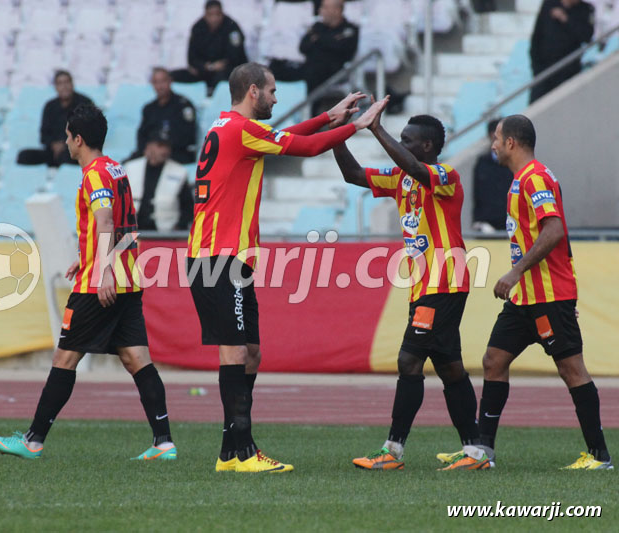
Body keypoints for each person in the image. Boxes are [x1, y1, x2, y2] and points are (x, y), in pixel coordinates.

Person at [188, 62, 388, 473]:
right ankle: (242, 453)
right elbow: (309, 148)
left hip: (230, 257)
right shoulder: (240, 130)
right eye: (273, 91)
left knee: (252, 354)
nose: (277, 98)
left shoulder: (230, 127)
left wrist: (328, 117)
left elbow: (286, 137)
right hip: (215, 257)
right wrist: (359, 126)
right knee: (236, 351)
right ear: (253, 92)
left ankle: (230, 452)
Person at [0, 104, 177, 462]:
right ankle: (163, 442)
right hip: (127, 279)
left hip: (99, 285)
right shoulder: (116, 169)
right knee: (137, 358)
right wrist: (89, 256)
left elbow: (105, 222)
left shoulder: (93, 174)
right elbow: (120, 225)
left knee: (65, 358)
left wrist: (101, 269)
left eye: (67, 136)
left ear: (78, 139)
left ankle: (32, 440)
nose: (66, 142)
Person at [438, 115, 612, 470]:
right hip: (525, 299)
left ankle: (599, 457)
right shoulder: (521, 180)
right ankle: (482, 453)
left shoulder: (535, 178)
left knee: (572, 370)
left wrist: (516, 272)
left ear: (512, 143)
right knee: (493, 361)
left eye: (497, 139)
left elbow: (554, 230)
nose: (493, 145)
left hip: (547, 295)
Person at [333, 106, 489, 471]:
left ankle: (392, 451)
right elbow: (354, 174)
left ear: (427, 146)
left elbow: (417, 170)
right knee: (450, 368)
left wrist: (376, 129)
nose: (400, 145)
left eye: (407, 140)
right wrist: (339, 134)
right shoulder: (400, 179)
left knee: (409, 360)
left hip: (444, 280)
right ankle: (475, 452)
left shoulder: (444, 175)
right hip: (425, 285)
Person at [17, 70, 94, 167]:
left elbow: (89, 133)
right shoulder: (50, 106)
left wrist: (65, 145)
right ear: (56, 87)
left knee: (66, 156)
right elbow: (44, 135)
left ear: (72, 84)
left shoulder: (85, 104)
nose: (64, 86)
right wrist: (54, 144)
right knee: (24, 156)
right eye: (60, 83)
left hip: (75, 151)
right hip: (53, 151)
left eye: (67, 82)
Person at [170, 0, 248, 95]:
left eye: (217, 14)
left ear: (222, 13)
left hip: (228, 71)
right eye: (210, 14)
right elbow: (192, 58)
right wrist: (208, 66)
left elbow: (235, 56)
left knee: (222, 77)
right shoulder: (198, 28)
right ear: (205, 14)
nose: (214, 18)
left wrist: (219, 65)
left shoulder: (232, 27)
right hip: (205, 70)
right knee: (174, 76)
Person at [124, 130, 193, 232]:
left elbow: (188, 207)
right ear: (149, 146)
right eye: (160, 146)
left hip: (165, 235)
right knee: (119, 248)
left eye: (167, 146)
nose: (164, 151)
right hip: (131, 232)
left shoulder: (179, 172)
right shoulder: (130, 168)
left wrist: (178, 228)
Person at [129, 67, 198, 165]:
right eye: (156, 82)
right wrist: (148, 148)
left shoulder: (183, 105)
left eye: (163, 81)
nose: (160, 86)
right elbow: (142, 134)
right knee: (128, 165)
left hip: (176, 153)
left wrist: (163, 147)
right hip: (151, 153)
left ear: (170, 81)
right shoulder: (148, 108)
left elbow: (188, 135)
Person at [529, 0, 594, 103]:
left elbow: (586, 36)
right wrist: (536, 67)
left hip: (568, 71)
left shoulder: (585, 9)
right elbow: (537, 38)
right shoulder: (549, 4)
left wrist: (566, 19)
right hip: (544, 70)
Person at [299, 0, 359, 96]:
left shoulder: (350, 29)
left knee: (313, 73)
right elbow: (303, 47)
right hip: (310, 70)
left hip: (334, 72)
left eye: (325, 7)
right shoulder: (317, 27)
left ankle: (311, 110)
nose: (320, 11)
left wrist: (319, 40)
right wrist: (327, 41)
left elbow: (343, 51)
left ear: (337, 10)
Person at [472, 118, 515, 233]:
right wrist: (478, 220)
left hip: (510, 222)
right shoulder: (482, 162)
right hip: (488, 223)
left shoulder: (513, 162)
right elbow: (477, 193)